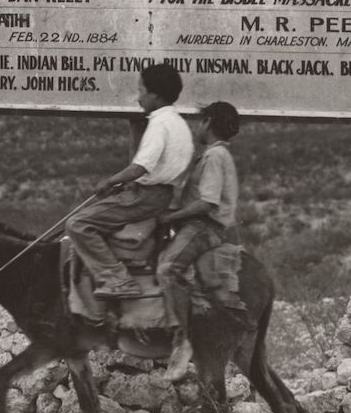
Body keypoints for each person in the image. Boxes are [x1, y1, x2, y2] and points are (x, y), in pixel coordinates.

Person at [66, 63, 193, 299]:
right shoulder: (178, 123)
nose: (138, 98)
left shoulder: (159, 124)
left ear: (154, 94)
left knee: (78, 224)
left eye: (141, 91)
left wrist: (110, 182)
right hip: (162, 193)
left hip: (146, 195)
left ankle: (118, 280)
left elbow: (141, 166)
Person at [157, 100, 245, 381]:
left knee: (167, 267)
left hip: (203, 227)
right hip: (200, 224)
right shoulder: (215, 155)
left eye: (201, 120)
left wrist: (171, 218)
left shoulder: (214, 156)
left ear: (208, 122)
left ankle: (183, 339)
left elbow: (207, 202)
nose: (198, 126)